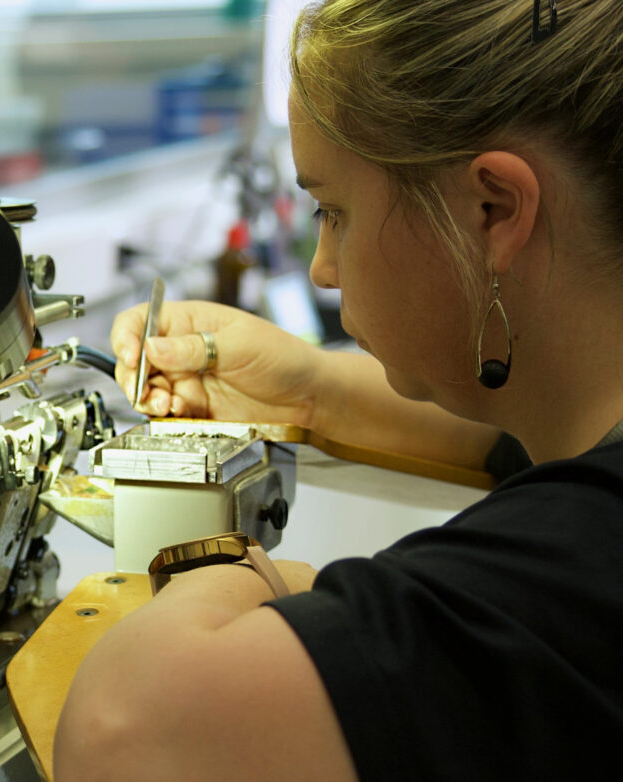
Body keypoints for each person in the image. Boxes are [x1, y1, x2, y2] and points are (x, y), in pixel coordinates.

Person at [52, 0, 623, 779]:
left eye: (333, 211)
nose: (322, 265)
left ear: (493, 209)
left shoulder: (582, 556)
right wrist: (309, 389)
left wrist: (238, 566)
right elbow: (504, 437)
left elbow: (127, 730)